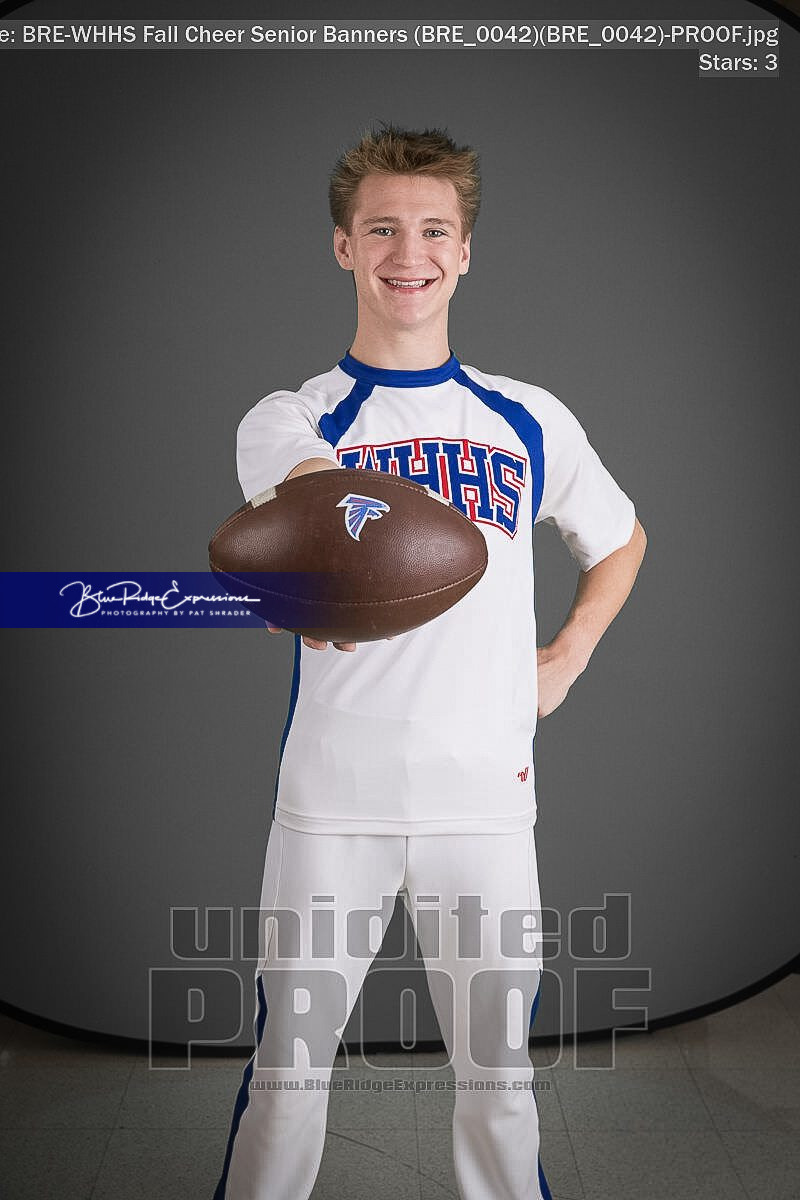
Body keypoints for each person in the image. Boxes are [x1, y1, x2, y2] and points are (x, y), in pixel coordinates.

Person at [213, 122, 646, 1200]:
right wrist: (310, 575)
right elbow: (314, 504)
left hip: (484, 801)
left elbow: (621, 538)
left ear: (465, 250)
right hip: (333, 800)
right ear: (342, 247)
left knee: (500, 1083)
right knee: (287, 1076)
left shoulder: (526, 418)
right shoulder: (294, 417)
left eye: (434, 230)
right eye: (381, 230)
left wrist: (567, 655)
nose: (409, 253)